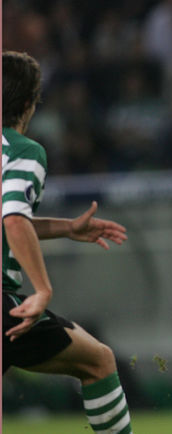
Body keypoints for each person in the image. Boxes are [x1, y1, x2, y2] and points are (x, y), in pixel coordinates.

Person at [2, 50, 132, 434]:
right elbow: (13, 218)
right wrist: (42, 288)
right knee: (98, 360)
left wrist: (67, 228)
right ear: (30, 104)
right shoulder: (22, 150)